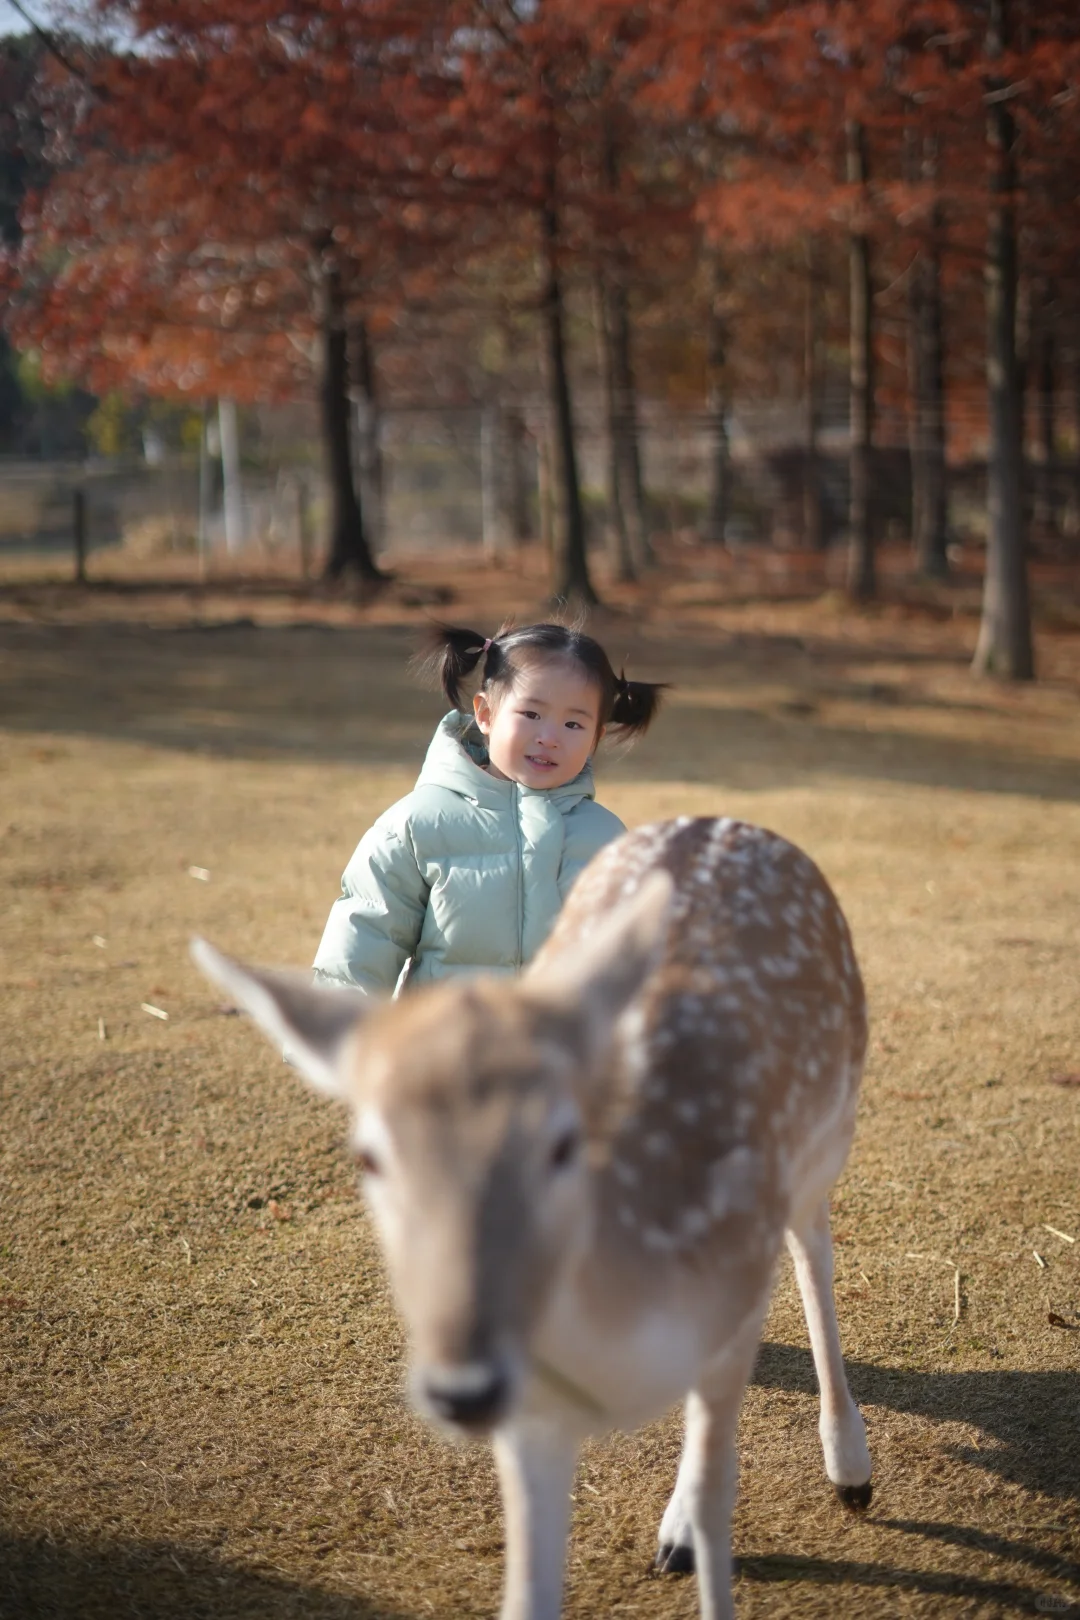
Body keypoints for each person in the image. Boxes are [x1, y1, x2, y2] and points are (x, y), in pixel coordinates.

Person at [312, 620, 665, 995]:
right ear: (485, 714)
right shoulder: (416, 825)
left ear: (596, 737)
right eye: (531, 714)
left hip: (567, 1034)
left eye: (574, 724)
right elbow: (362, 946)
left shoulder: (608, 839)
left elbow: (639, 963)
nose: (549, 738)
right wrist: (337, 1028)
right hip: (450, 1031)